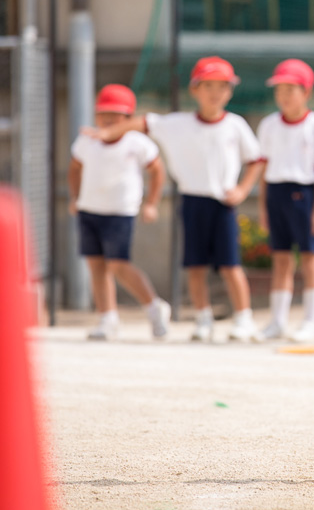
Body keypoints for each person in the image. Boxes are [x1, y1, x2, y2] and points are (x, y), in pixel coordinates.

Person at [84, 57, 263, 343]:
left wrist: (242, 189)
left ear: (230, 91)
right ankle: (203, 319)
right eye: (208, 86)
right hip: (191, 201)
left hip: (224, 204)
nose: (215, 93)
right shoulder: (177, 124)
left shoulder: (236, 125)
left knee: (231, 265)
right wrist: (107, 133)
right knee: (195, 266)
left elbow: (255, 159)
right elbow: (141, 122)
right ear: (194, 90)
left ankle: (244, 318)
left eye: (222, 86)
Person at [69, 84, 171, 341]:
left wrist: (151, 203)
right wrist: (75, 197)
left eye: (115, 115)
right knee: (96, 265)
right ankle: (107, 318)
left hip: (120, 211)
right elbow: (75, 169)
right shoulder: (86, 141)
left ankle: (154, 307)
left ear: (128, 118)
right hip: (90, 209)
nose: (107, 119)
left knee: (118, 265)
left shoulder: (138, 143)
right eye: (103, 113)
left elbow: (157, 171)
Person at [254, 59, 314, 343]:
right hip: (276, 193)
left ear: (306, 92)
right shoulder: (268, 125)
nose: (284, 96)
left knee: (311, 258)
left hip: (305, 195)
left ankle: (310, 322)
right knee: (280, 258)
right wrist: (263, 207)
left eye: (291, 89)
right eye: (280, 90)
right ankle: (277, 321)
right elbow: (264, 169)